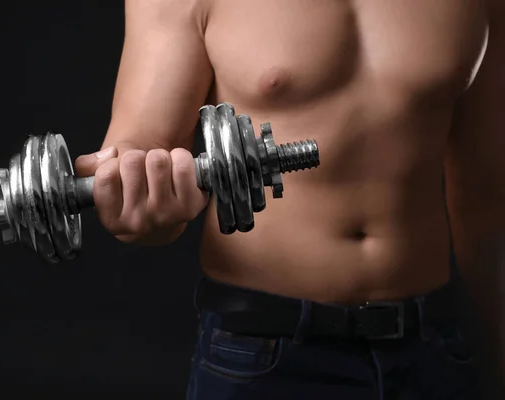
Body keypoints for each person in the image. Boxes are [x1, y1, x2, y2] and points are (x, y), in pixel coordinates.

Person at [75, 0, 505, 398]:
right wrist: (140, 204)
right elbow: (140, 151)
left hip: (430, 351)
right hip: (265, 353)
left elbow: (486, 203)